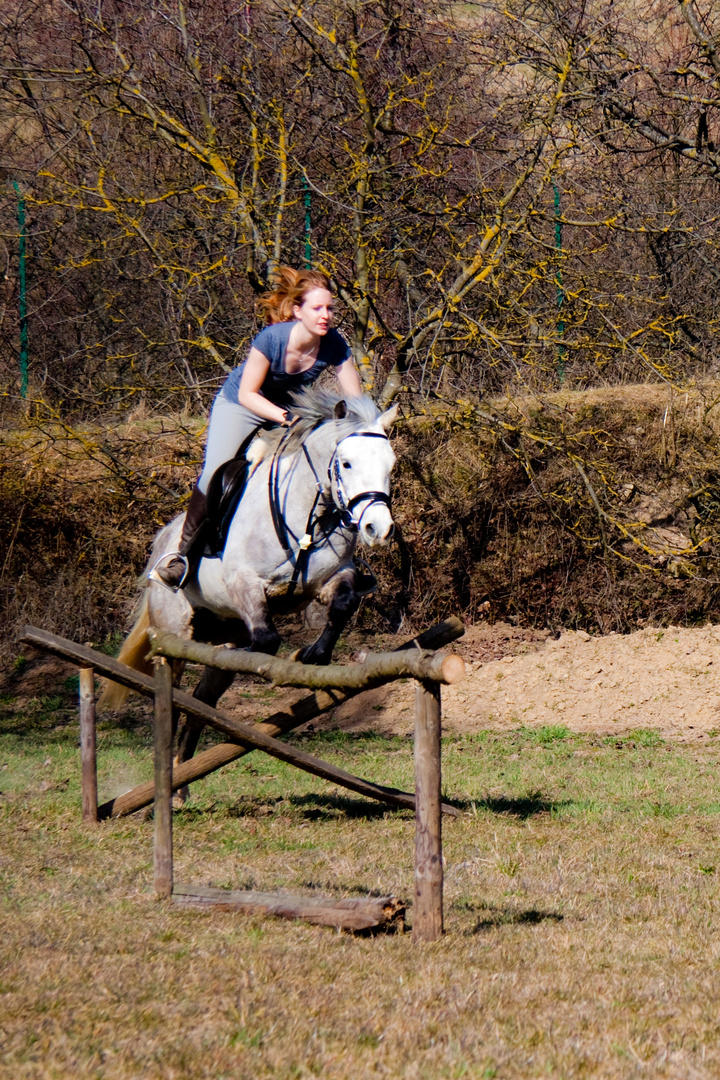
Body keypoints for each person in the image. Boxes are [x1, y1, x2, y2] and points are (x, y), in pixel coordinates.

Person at [150, 266, 364, 589]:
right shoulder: (272, 339)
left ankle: (340, 560)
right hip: (242, 405)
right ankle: (182, 557)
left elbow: (356, 401)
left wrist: (364, 430)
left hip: (289, 409)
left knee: (320, 465)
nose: (326, 316)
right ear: (297, 311)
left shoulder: (335, 344)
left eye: (330, 308)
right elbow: (249, 394)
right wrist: (284, 418)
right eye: (317, 308)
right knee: (215, 471)